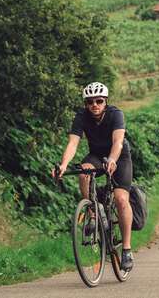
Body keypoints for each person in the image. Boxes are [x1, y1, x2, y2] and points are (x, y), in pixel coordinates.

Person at [52, 82, 134, 272]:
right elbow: (73, 144)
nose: (94, 105)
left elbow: (118, 142)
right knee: (84, 171)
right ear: (86, 104)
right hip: (96, 155)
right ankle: (93, 212)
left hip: (119, 157)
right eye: (90, 102)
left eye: (99, 101)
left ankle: (127, 250)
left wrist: (112, 160)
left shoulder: (116, 114)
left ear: (105, 101)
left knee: (121, 199)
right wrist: (63, 165)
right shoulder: (81, 117)